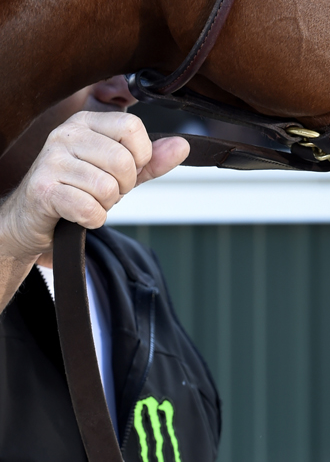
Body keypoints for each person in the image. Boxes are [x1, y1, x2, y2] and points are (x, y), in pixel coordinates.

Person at [0, 77, 222, 462]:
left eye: (127, 65)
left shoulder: (133, 270)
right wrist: (15, 236)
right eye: (87, 60)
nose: (123, 90)